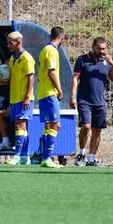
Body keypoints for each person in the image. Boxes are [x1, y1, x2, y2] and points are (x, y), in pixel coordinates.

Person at [70, 37, 113, 167]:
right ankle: (81, 153)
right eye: (99, 49)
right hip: (84, 100)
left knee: (97, 130)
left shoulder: (107, 62)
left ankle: (91, 158)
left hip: (100, 102)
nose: (102, 51)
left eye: (104, 49)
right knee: (86, 126)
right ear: (93, 47)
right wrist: (73, 97)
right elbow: (75, 79)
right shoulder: (82, 60)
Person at [0, 31, 35, 165]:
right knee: (23, 128)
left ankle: (17, 156)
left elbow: (31, 78)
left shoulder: (27, 58)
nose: (8, 45)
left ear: (18, 42)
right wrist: (2, 82)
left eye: (10, 43)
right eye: (7, 42)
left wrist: (28, 97)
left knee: (19, 125)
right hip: (14, 99)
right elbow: (12, 78)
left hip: (24, 99)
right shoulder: (12, 59)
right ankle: (26, 157)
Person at [37, 26, 65, 169]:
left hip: (43, 93)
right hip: (49, 93)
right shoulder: (52, 51)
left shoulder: (45, 49)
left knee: (49, 126)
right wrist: (60, 90)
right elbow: (51, 72)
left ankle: (45, 158)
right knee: (55, 124)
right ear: (62, 37)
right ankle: (47, 158)